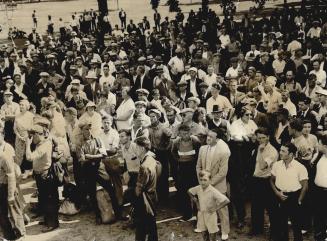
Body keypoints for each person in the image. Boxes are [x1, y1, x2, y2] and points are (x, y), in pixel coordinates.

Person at [196, 128, 231, 241]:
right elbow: (198, 167)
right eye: (208, 136)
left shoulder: (223, 152)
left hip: (218, 184)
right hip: (204, 184)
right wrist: (202, 181)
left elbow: (222, 173)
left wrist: (209, 184)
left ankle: (225, 231)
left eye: (211, 137)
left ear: (218, 139)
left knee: (222, 209)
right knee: (204, 207)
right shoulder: (202, 149)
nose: (208, 138)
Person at [270, 142, 308, 241]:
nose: (280, 152)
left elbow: (305, 186)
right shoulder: (276, 165)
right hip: (279, 196)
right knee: (281, 224)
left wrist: (299, 200)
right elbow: (271, 180)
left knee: (296, 226)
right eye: (280, 150)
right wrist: (276, 193)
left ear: (291, 154)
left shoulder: (300, 167)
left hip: (294, 197)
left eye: (283, 151)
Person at [25, 123, 59, 233]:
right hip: (40, 175)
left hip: (46, 175)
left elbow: (29, 157)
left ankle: (52, 224)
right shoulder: (42, 142)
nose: (31, 138)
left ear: (39, 135)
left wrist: (27, 144)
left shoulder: (44, 145)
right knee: (44, 199)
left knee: (49, 200)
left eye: (32, 135)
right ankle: (47, 220)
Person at [249, 127, 279, 240]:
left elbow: (262, 166)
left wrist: (261, 152)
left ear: (268, 137)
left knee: (271, 208)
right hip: (256, 180)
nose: (261, 140)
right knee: (256, 207)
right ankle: (257, 229)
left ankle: (275, 233)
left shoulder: (272, 151)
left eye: (263, 138)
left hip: (267, 181)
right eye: (259, 138)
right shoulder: (257, 147)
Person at [171, 124, 201, 221]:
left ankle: (198, 214)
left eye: (186, 133)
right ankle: (187, 214)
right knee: (183, 192)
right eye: (182, 134)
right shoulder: (176, 142)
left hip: (193, 168)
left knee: (196, 191)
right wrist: (179, 160)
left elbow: (199, 153)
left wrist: (195, 163)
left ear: (190, 133)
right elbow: (173, 153)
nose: (185, 136)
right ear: (179, 134)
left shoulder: (195, 141)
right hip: (182, 168)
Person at [188, 170, 230, 241]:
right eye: (201, 180)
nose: (202, 182)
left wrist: (216, 208)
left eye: (205, 180)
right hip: (201, 214)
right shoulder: (198, 188)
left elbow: (226, 201)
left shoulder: (213, 191)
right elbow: (189, 191)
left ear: (210, 180)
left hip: (211, 216)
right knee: (204, 233)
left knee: (212, 234)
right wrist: (196, 201)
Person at [134, 134, 161, 241]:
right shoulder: (152, 159)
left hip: (145, 200)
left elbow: (138, 189)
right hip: (153, 195)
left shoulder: (144, 166)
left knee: (141, 226)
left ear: (141, 148)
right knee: (151, 225)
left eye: (136, 147)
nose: (135, 149)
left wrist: (136, 194)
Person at [0, 132, 25, 240]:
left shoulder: (5, 152)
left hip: (8, 185)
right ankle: (9, 235)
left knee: (14, 210)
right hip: (2, 184)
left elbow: (11, 174)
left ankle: (21, 234)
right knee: (2, 213)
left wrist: (10, 194)